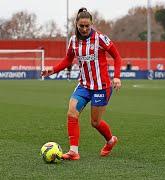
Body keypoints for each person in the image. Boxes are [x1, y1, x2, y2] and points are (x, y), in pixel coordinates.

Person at [41, 7, 122, 160]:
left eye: (87, 26)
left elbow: (117, 57)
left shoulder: (100, 39)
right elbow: (67, 60)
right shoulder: (73, 41)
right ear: (76, 25)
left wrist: (117, 77)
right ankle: (73, 151)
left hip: (101, 87)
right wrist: (52, 70)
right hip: (84, 85)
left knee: (95, 123)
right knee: (72, 111)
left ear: (91, 24)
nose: (84, 29)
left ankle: (110, 141)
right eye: (81, 26)